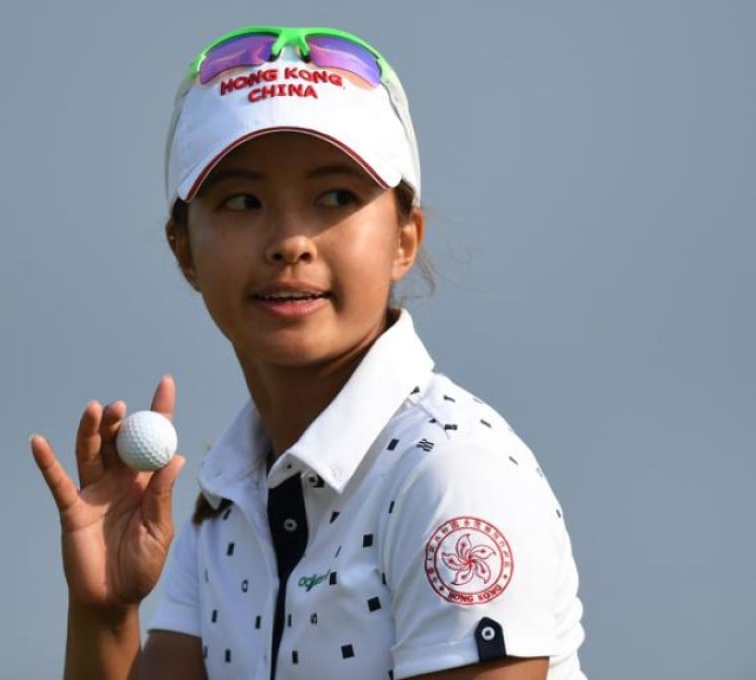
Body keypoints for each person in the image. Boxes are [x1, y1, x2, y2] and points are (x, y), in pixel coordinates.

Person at [31, 25, 585, 679]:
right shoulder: (230, 491)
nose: (290, 240)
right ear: (182, 249)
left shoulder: (453, 477)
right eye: (242, 200)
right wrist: (104, 616)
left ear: (405, 239)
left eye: (335, 197)